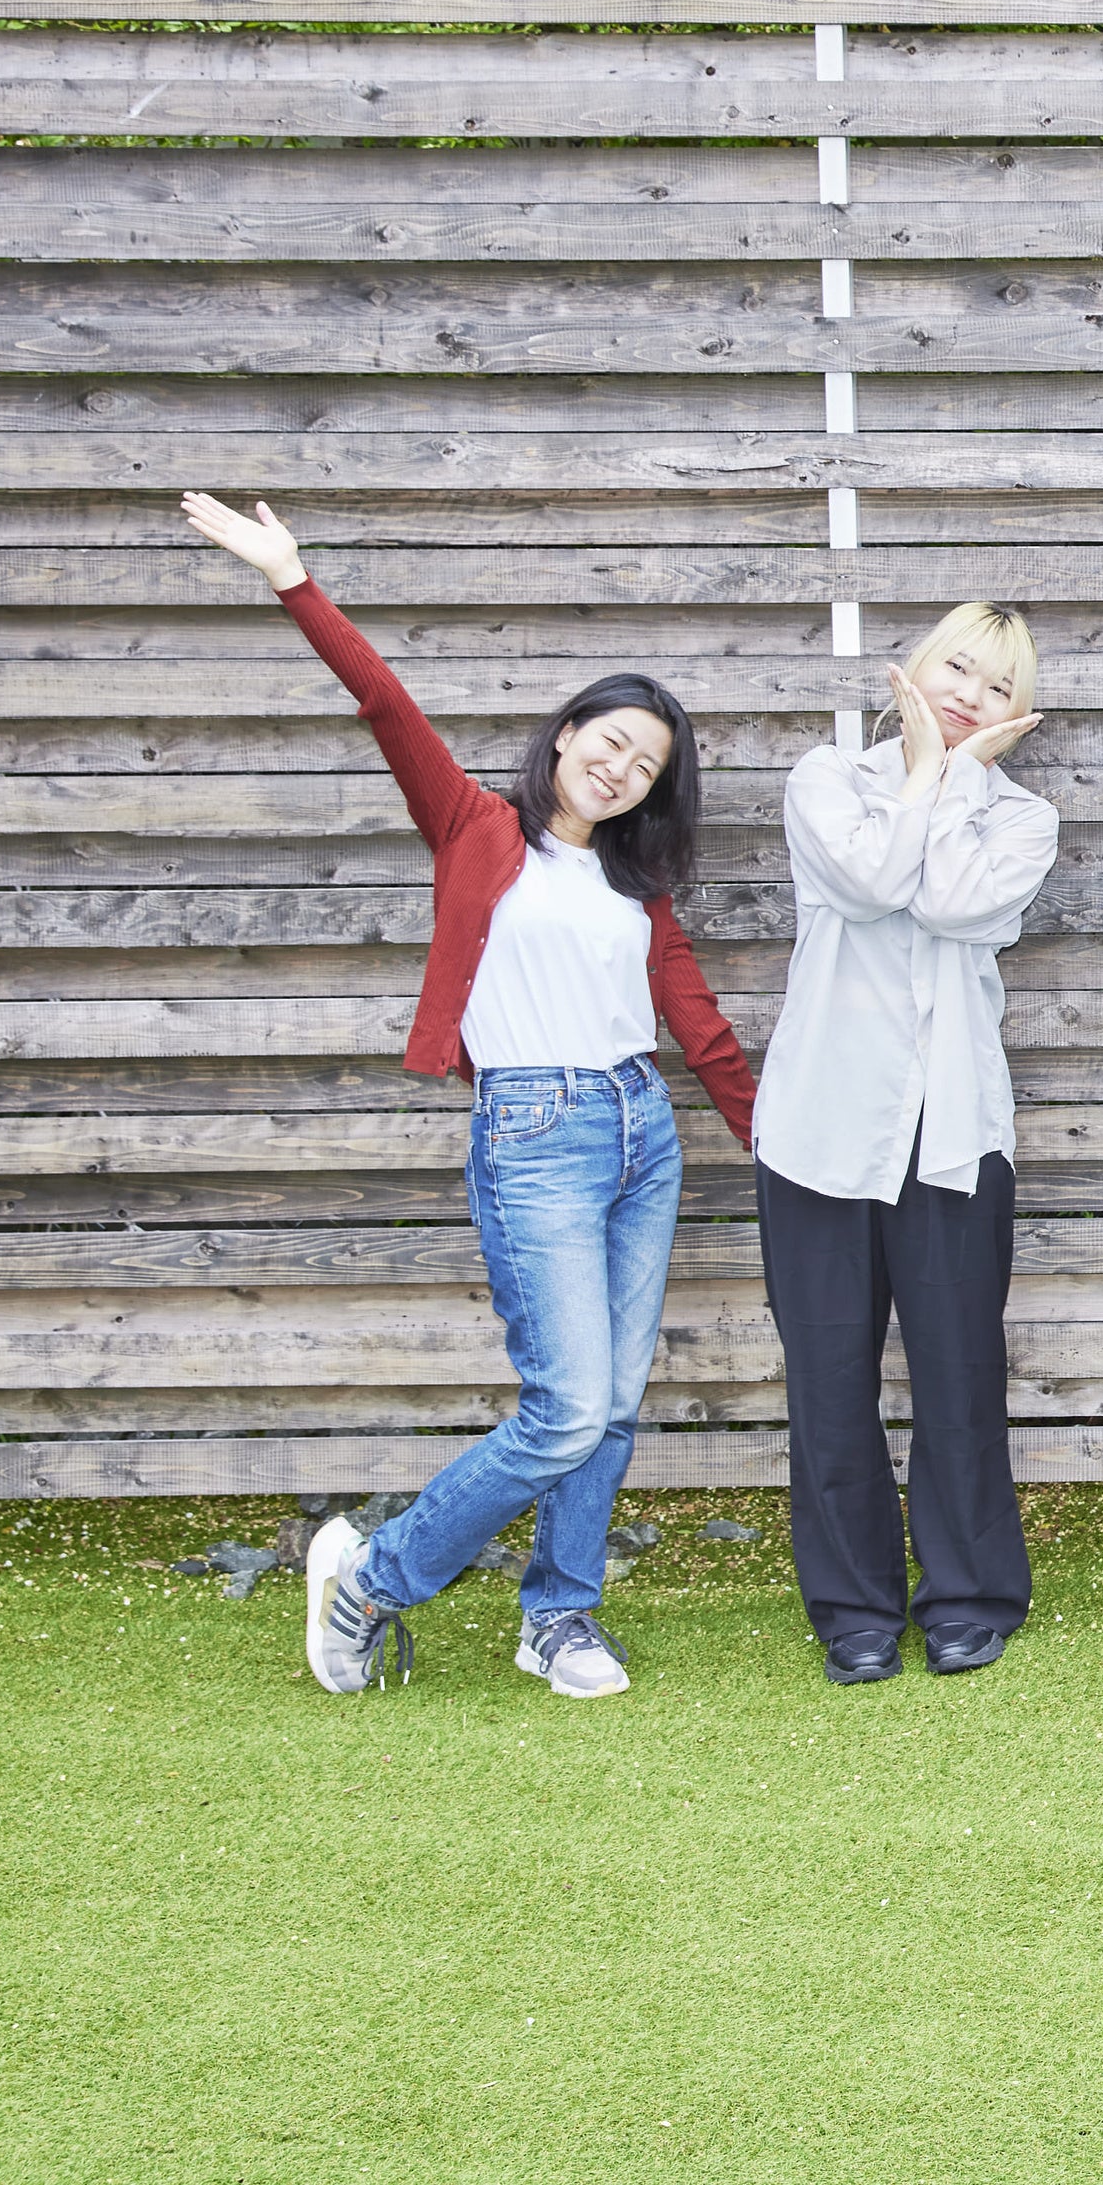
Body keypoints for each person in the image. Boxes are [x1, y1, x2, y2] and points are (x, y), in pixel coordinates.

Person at [176, 494, 757, 1703]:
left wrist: (772, 1138)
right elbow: (386, 705)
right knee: (566, 1408)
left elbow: (696, 1023)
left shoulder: (634, 888)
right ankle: (371, 1580)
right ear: (567, 733)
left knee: (611, 1408)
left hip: (641, 1130)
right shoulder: (473, 824)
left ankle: (560, 1616)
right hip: (535, 1130)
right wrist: (292, 579)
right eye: (611, 740)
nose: (619, 767)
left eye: (645, 766)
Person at [751, 605, 1057, 1687]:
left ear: (1019, 715)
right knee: (829, 1380)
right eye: (957, 668)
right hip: (820, 1128)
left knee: (960, 1376)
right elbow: (873, 883)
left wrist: (954, 780)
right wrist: (926, 774)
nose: (970, 694)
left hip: (954, 1134)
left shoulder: (1024, 820)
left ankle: (969, 1596)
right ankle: (853, 1609)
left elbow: (951, 902)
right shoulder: (827, 781)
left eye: (997, 685)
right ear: (912, 671)